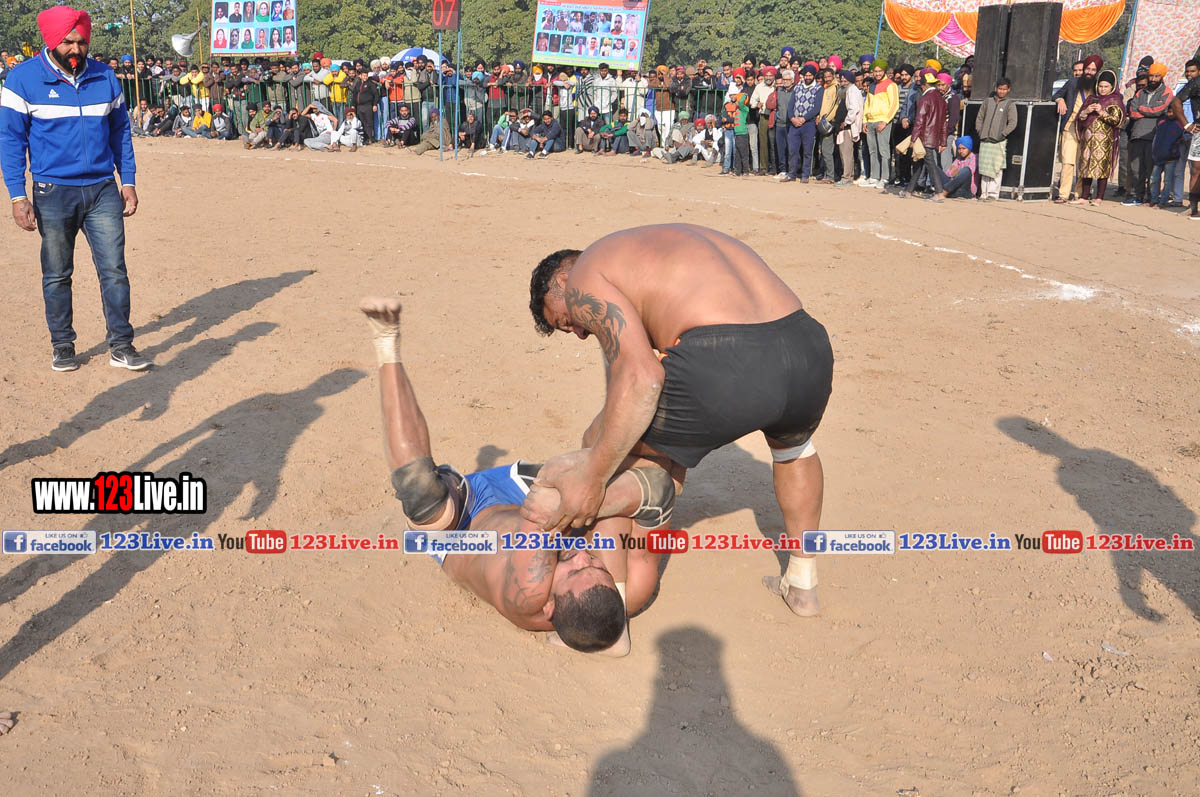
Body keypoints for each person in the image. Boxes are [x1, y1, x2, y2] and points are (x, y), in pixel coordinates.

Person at [526, 225, 834, 617]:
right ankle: (803, 584)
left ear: (563, 281)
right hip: (807, 349)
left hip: (727, 357)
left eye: (565, 321)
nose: (579, 334)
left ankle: (610, 610)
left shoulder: (583, 278)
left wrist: (593, 476)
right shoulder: (654, 250)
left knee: (601, 442)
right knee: (794, 449)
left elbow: (643, 379)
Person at [359, 297, 666, 655]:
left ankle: (386, 343)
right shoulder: (626, 593)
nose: (584, 557)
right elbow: (660, 490)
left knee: (422, 494)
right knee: (620, 470)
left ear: (549, 609)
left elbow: (543, 507)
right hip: (518, 496)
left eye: (574, 572)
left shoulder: (530, 589)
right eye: (598, 568)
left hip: (463, 532)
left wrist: (600, 491)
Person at [1, 4, 150, 372]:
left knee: (114, 270)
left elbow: (121, 132)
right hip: (53, 192)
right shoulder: (21, 80)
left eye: (82, 42)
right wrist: (18, 195)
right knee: (57, 273)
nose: (76, 49)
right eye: (68, 42)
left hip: (102, 190)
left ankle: (122, 345)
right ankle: (63, 345)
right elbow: (10, 141)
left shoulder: (105, 76)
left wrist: (128, 181)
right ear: (52, 40)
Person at [1053, 54, 1101, 202]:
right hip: (1070, 127)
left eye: (1093, 70)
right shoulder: (1073, 83)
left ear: (1097, 71)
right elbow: (1056, 95)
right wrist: (1060, 100)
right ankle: (1063, 194)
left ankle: (1079, 193)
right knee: (1068, 162)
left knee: (1083, 163)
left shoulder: (1099, 86)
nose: (1089, 72)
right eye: (1087, 69)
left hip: (1089, 129)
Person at [1124, 63, 1173, 206]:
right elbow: (1132, 111)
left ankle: (1152, 197)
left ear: (1162, 77)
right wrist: (1148, 111)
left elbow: (1161, 109)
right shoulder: (1140, 92)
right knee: (1136, 168)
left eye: (1156, 76)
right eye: (1151, 76)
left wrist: (1143, 109)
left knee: (1152, 169)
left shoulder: (1167, 92)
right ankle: (1138, 196)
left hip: (1155, 135)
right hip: (1138, 134)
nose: (1153, 79)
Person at [1076, 70, 1125, 205]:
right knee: (1086, 166)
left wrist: (1101, 112)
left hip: (1104, 140)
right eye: (1100, 86)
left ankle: (1099, 197)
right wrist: (1086, 111)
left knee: (1102, 168)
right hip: (1088, 139)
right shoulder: (1091, 99)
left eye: (1106, 87)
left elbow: (1117, 120)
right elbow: (1080, 118)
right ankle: (1084, 196)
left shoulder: (1115, 100)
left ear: (1112, 87)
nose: (1102, 89)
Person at [901, 72, 947, 200]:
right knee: (918, 163)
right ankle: (909, 191)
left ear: (924, 85)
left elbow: (919, 120)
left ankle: (939, 192)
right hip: (933, 137)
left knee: (930, 164)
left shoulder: (925, 98)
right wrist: (943, 141)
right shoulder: (941, 99)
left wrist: (913, 138)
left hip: (924, 137)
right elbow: (944, 122)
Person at [975, 78, 1018, 201]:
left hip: (999, 141)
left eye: (1004, 89)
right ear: (995, 88)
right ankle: (984, 193)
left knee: (996, 167)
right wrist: (981, 132)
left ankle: (993, 194)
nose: (1002, 91)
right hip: (985, 140)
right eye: (1000, 89)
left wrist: (1003, 134)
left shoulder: (1010, 104)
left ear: (1008, 90)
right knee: (984, 168)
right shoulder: (987, 102)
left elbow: (1013, 122)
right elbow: (979, 118)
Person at [1167, 65, 1200, 219]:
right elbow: (1176, 101)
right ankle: (1193, 208)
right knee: (1196, 170)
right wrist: (1186, 125)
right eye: (1187, 71)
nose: (1188, 74)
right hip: (1198, 132)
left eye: (1192, 71)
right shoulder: (1196, 83)